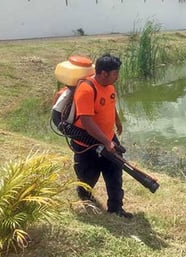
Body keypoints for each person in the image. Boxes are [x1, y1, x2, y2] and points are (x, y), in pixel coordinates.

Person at [71, 53, 133, 219]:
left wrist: (117, 122)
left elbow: (111, 106)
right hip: (87, 143)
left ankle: (116, 208)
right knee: (88, 175)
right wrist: (106, 141)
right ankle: (85, 197)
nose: (117, 77)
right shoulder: (86, 89)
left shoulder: (110, 86)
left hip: (108, 138)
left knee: (114, 172)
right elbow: (86, 121)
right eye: (115, 73)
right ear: (103, 73)